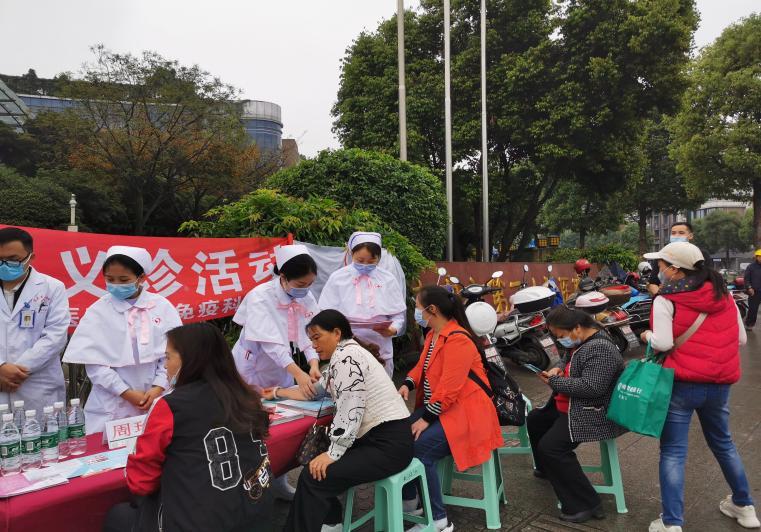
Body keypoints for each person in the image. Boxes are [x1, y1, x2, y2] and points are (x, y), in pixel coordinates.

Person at [104, 322, 272, 532]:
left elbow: (141, 482)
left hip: (196, 522)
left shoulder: (171, 406)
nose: (165, 365)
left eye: (168, 357)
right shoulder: (247, 396)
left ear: (189, 360)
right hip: (255, 513)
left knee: (119, 516)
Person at [641, 242, 759, 532]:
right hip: (719, 385)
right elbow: (741, 340)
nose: (659, 270)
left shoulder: (665, 299)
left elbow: (665, 343)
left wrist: (647, 335)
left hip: (680, 385)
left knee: (673, 452)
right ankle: (745, 508)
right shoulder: (724, 295)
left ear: (675, 270)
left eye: (662, 265)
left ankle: (672, 523)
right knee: (724, 443)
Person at [264, 309, 413, 532]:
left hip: (388, 446)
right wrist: (277, 393)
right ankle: (330, 521)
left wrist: (334, 453)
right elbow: (314, 391)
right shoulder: (346, 355)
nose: (314, 345)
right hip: (387, 439)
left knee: (314, 475)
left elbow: (350, 408)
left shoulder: (346, 358)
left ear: (336, 333)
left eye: (317, 337)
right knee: (316, 462)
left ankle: (326, 522)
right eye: (311, 340)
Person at [398, 285, 503, 532]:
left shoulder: (458, 339)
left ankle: (439, 520)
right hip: (445, 409)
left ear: (432, 309)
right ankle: (411, 502)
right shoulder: (435, 334)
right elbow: (421, 366)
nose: (417, 312)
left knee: (419, 449)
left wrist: (425, 419)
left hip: (467, 413)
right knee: (397, 436)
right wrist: (407, 384)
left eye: (419, 307)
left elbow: (450, 389)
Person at [231, 243, 322, 499]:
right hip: (252, 368)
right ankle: (245, 488)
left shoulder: (304, 295)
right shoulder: (260, 297)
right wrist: (299, 373)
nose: (306, 290)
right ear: (283, 277)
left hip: (282, 368)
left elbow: (310, 332)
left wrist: (313, 362)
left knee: (279, 427)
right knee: (249, 424)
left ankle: (279, 481)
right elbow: (271, 343)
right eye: (301, 284)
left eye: (310, 284)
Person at [62, 246, 182, 434]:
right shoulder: (98, 311)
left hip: (156, 396)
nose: (116, 285)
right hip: (111, 401)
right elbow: (94, 363)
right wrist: (125, 393)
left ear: (141, 278)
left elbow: (173, 354)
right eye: (110, 280)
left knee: (154, 449)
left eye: (124, 280)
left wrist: (159, 386)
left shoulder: (162, 307)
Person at [527, 305, 625, 524]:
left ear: (577, 328)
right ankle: (546, 468)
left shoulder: (601, 348)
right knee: (535, 420)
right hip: (570, 404)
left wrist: (555, 381)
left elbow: (592, 388)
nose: (561, 340)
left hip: (592, 411)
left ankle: (586, 504)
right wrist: (558, 368)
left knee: (552, 448)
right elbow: (567, 357)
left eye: (561, 336)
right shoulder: (583, 340)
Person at [0, 227, 70, 415]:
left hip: (38, 385)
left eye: (13, 260)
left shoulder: (52, 288)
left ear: (31, 257)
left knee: (42, 440)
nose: (4, 264)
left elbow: (56, 336)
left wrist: (18, 371)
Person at [318, 232, 406, 377]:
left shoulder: (387, 279)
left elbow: (398, 315)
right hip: (346, 344)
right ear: (351, 254)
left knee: (381, 390)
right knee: (349, 388)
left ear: (379, 258)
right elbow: (326, 313)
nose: (365, 265)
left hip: (380, 345)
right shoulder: (338, 278)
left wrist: (393, 329)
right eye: (360, 260)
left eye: (372, 261)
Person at [647, 221, 712, 296]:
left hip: (696, 296)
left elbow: (709, 278)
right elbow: (653, 282)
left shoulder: (701, 254)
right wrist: (660, 297)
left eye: (681, 233)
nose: (676, 236)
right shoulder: (662, 254)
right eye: (673, 233)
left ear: (690, 236)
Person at [742, 249, 761, 330]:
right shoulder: (751, 267)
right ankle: (749, 324)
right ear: (756, 257)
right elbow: (746, 279)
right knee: (753, 309)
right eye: (760, 257)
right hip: (754, 292)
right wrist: (749, 287)